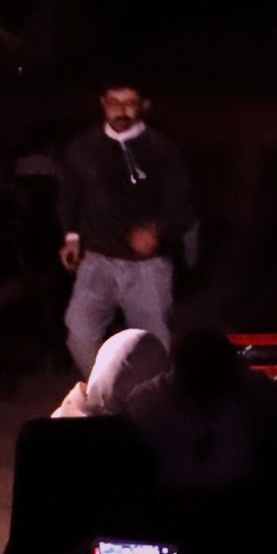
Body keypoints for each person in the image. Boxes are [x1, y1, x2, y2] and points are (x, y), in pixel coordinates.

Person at [56, 80, 195, 376]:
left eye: (129, 103)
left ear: (144, 106)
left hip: (147, 267)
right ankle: (105, 392)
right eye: (114, 103)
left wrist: (157, 231)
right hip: (97, 260)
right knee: (79, 330)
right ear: (102, 103)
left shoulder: (162, 150)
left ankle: (149, 397)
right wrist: (71, 236)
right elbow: (69, 195)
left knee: (153, 343)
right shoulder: (83, 148)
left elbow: (183, 207)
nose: (121, 111)